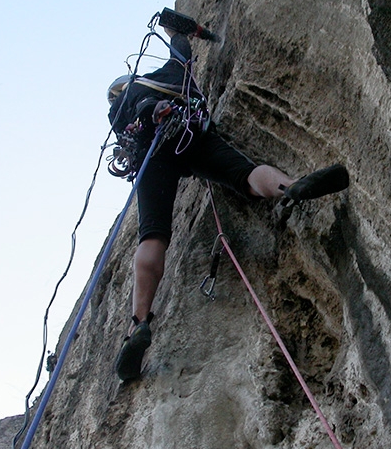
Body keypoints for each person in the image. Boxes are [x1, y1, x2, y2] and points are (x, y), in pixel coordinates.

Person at [108, 22, 349, 381]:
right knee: (246, 174)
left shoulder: (118, 110)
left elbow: (128, 139)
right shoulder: (165, 73)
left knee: (153, 235)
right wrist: (182, 34)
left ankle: (139, 324)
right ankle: (291, 186)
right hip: (190, 134)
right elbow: (180, 52)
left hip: (153, 154)